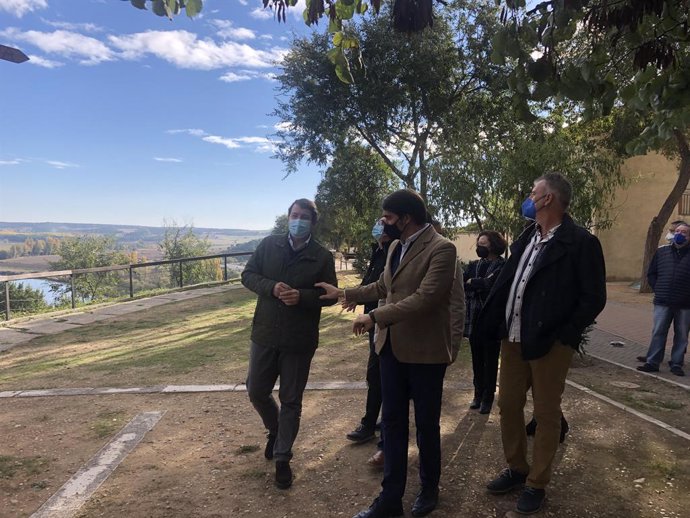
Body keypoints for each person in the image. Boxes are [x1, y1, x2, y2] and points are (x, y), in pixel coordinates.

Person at [317, 189, 458, 518]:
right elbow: (384, 287)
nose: (383, 222)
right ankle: (390, 499)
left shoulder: (443, 248)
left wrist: (374, 316)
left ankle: (429, 488)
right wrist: (345, 292)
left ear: (406, 218)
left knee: (426, 426)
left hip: (426, 354)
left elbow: (426, 298)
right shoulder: (396, 246)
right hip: (390, 350)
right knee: (392, 425)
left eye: (389, 217)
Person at [478, 173, 606, 515]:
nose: (529, 196)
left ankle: (537, 483)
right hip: (513, 338)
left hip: (550, 343)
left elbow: (593, 298)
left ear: (548, 199)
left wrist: (565, 334)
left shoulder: (581, 242)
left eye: (533, 192)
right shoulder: (525, 238)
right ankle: (517, 469)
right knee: (507, 404)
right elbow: (510, 283)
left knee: (547, 414)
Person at [241, 198, 337, 490]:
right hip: (266, 334)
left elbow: (330, 296)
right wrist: (270, 287)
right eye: (294, 215)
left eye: (304, 217)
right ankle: (275, 430)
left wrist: (303, 297)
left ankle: (283, 458)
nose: (298, 220)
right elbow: (247, 275)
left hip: (299, 339)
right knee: (256, 390)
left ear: (312, 222)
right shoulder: (269, 245)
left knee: (291, 400)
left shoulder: (322, 256)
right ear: (288, 218)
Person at [345, 219, 393, 470]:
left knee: (382, 375)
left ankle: (377, 429)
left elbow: (386, 288)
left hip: (385, 321)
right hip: (372, 318)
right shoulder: (379, 251)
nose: (379, 226)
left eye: (384, 222)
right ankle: (371, 423)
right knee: (374, 375)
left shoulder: (395, 250)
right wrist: (355, 297)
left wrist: (373, 317)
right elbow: (371, 280)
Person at [637, 222, 690, 377]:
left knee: (681, 335)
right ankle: (652, 362)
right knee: (658, 332)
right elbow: (652, 273)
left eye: (685, 232)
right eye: (678, 231)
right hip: (663, 301)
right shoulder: (662, 252)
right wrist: (658, 288)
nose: (680, 234)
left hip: (685, 304)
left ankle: (676, 364)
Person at [463, 230, 507, 414]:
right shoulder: (473, 265)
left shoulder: (502, 266)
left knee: (490, 361)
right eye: (478, 243)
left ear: (494, 245)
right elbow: (465, 284)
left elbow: (492, 286)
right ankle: (477, 394)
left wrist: (477, 283)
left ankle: (488, 398)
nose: (479, 247)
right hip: (473, 320)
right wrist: (477, 283)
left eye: (484, 243)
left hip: (491, 321)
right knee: (477, 360)